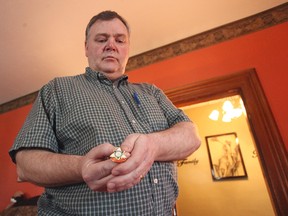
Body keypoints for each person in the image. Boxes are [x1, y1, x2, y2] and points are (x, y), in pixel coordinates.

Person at [9, 10, 201, 215]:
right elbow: (25, 165)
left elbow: (191, 136)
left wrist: (153, 145)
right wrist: (82, 167)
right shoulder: (57, 90)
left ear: (128, 48)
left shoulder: (152, 92)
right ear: (86, 47)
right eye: (101, 39)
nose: (111, 45)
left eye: (120, 40)